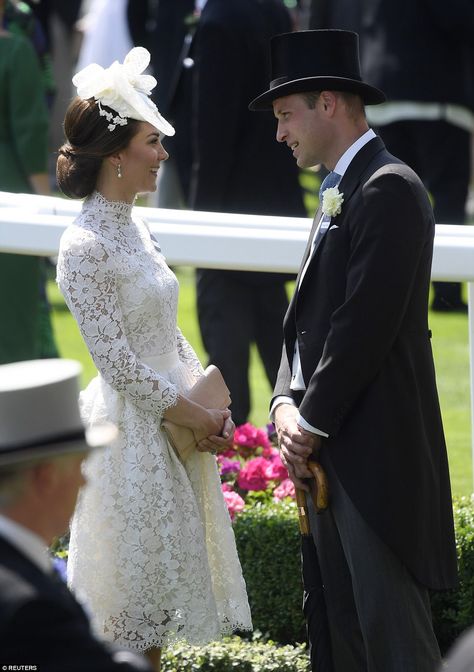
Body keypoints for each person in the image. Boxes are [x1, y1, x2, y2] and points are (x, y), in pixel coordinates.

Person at [249, 29, 458, 671]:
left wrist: (305, 425)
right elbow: (306, 316)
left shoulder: (389, 188)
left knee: (394, 646)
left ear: (330, 104)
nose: (281, 132)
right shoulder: (343, 187)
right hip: (330, 455)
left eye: (287, 115)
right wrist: (284, 400)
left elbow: (364, 327)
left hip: (375, 463)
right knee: (342, 644)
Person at [55, 46, 252, 671]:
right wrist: (193, 414)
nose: (163, 154)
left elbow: (170, 334)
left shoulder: (139, 227)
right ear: (117, 155)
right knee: (130, 616)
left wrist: (205, 403)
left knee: (159, 616)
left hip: (175, 428)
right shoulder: (82, 245)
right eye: (152, 142)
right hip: (131, 440)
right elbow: (117, 364)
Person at [183, 0, 307, 425]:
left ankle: (235, 475)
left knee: (227, 368)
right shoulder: (273, 11)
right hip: (273, 207)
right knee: (282, 357)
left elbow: (212, 134)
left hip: (225, 212)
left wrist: (202, 224)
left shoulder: (219, 21)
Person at [309, 0, 474, 312]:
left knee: (385, 196)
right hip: (436, 90)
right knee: (447, 194)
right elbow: (458, 18)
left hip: (383, 85)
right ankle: (446, 292)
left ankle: (386, 280)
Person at [0, 357, 153, 671]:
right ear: (46, 477)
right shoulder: (31, 609)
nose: (84, 480)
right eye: (79, 466)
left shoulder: (19, 568)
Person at [0, 0, 56, 364]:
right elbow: (30, 135)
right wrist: (47, 210)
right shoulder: (15, 51)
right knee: (14, 323)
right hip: (10, 199)